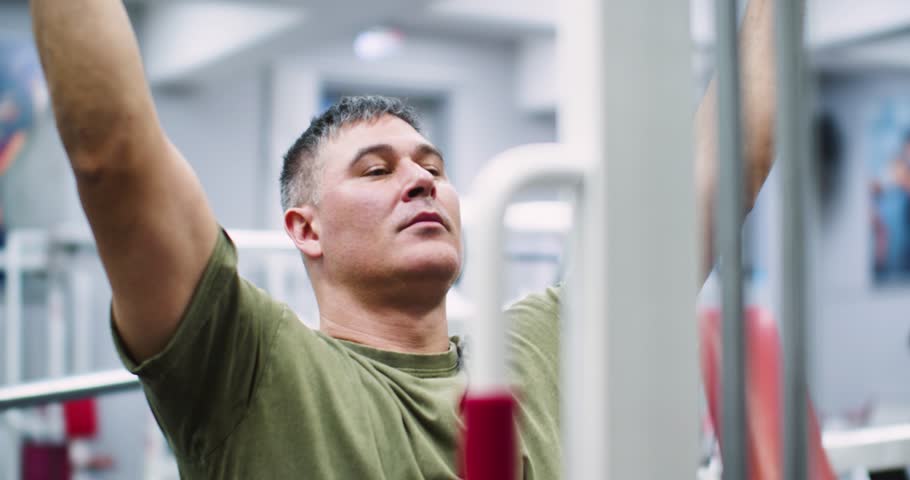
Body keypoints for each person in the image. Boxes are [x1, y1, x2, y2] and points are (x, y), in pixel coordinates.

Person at [28, 0, 776, 477]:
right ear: (304, 228)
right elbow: (111, 156)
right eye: (375, 169)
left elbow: (726, 167)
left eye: (432, 166)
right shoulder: (247, 366)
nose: (419, 181)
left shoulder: (547, 342)